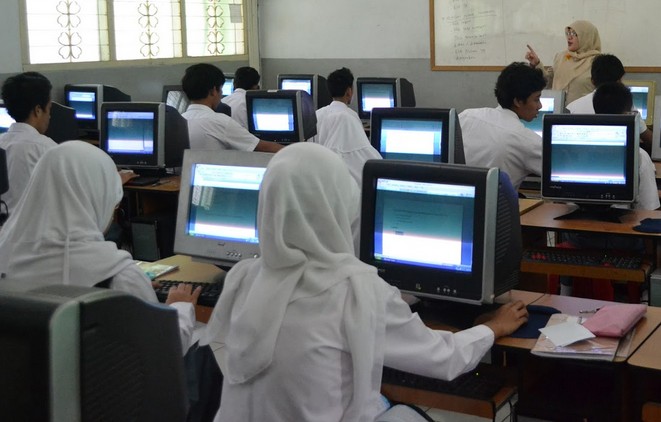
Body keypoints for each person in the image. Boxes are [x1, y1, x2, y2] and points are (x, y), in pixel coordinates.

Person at [201, 142, 528, 421]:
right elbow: (444, 358)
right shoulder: (355, 291)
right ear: (338, 203)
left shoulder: (244, 277)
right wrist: (493, 327)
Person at [0, 141, 201, 353]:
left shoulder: (5, 253)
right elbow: (163, 351)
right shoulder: (116, 276)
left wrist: (132, 292)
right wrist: (180, 306)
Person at [459, 62, 546, 190]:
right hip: (497, 202)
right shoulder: (526, 140)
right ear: (518, 101)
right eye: (536, 99)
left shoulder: (466, 116)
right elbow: (556, 171)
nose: (540, 106)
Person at [181, 63, 283, 153]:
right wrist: (291, 150)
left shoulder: (180, 120)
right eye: (221, 89)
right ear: (213, 91)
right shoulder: (219, 121)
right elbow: (261, 147)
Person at [566, 54, 653, 149]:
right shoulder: (626, 106)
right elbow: (649, 139)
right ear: (619, 82)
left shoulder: (571, 108)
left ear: (592, 81)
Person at [313, 67, 382, 187]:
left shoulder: (317, 114)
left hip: (320, 180)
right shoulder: (349, 116)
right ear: (349, 92)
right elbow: (365, 152)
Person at [0, 72, 57, 216]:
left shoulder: (2, 142)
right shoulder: (46, 148)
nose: (50, 116)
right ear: (38, 110)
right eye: (49, 109)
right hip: (35, 226)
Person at [525, 20, 601, 104]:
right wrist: (537, 64)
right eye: (568, 33)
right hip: (558, 109)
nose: (569, 37)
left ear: (586, 37)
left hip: (583, 111)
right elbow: (548, 82)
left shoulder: (597, 62)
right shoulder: (561, 57)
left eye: (574, 34)